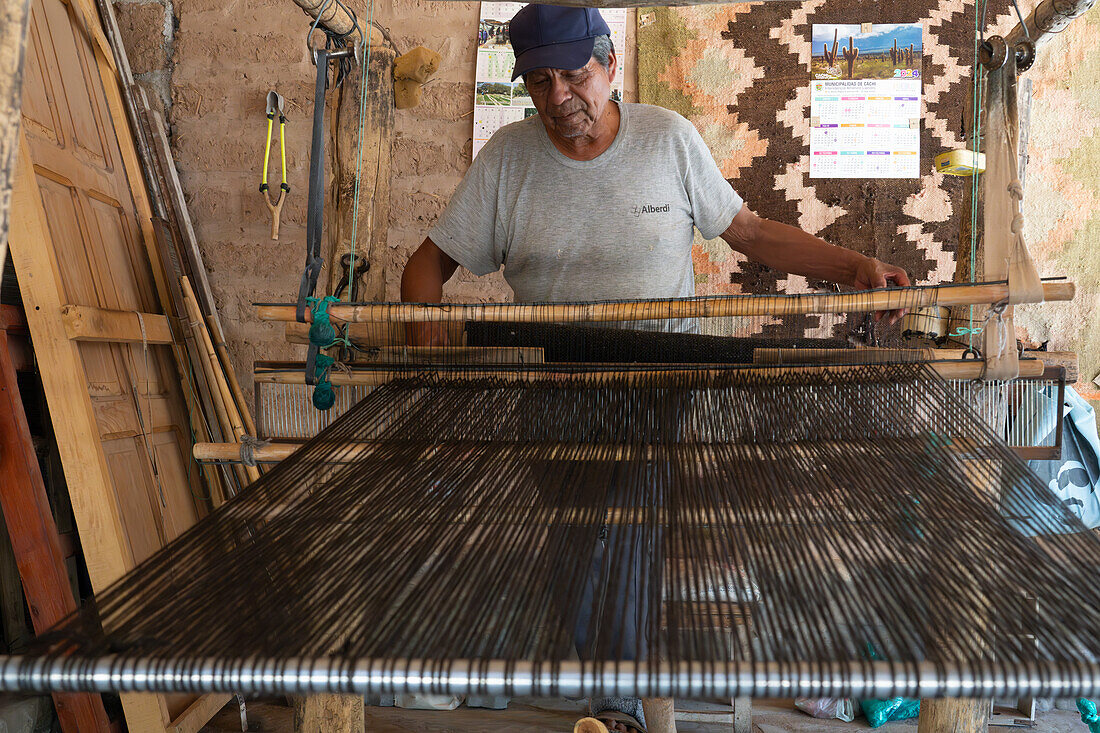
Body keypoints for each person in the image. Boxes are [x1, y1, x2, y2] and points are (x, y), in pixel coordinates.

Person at [400, 5, 911, 730]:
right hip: (557, 388)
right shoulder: (509, 159)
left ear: (609, 65)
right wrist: (440, 377)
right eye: (541, 82)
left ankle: (619, 702)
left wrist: (854, 265)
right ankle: (616, 673)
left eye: (576, 75)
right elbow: (422, 271)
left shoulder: (667, 140)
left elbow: (753, 232)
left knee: (633, 528)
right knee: (577, 541)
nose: (560, 97)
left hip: (656, 383)